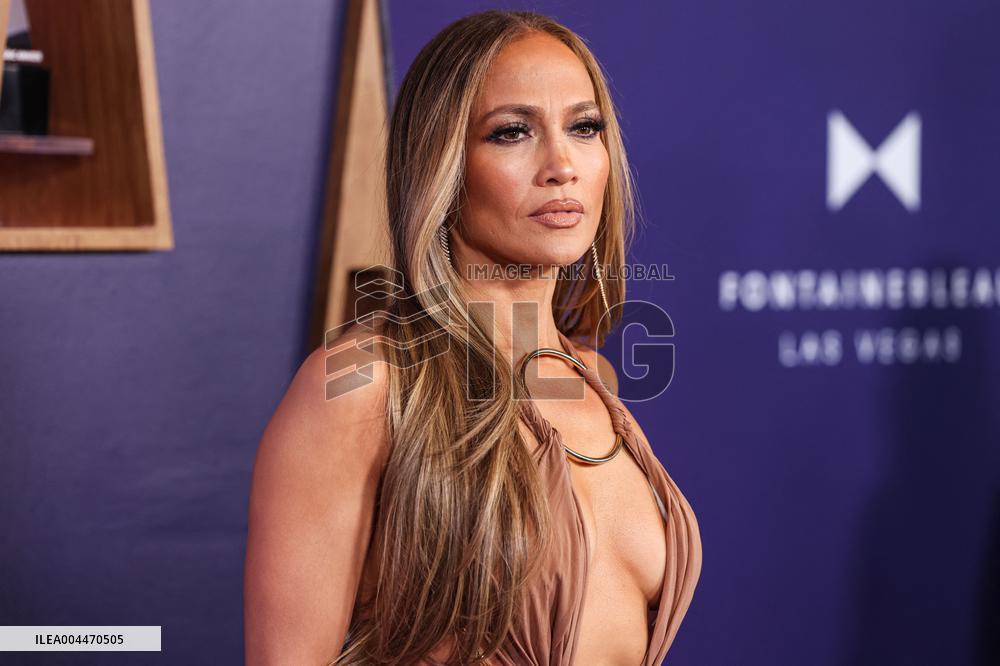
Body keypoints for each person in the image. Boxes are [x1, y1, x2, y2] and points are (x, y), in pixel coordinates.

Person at [244, 9, 702, 665]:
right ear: (441, 166)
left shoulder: (595, 378)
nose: (561, 164)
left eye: (584, 127)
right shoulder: (360, 385)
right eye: (512, 132)